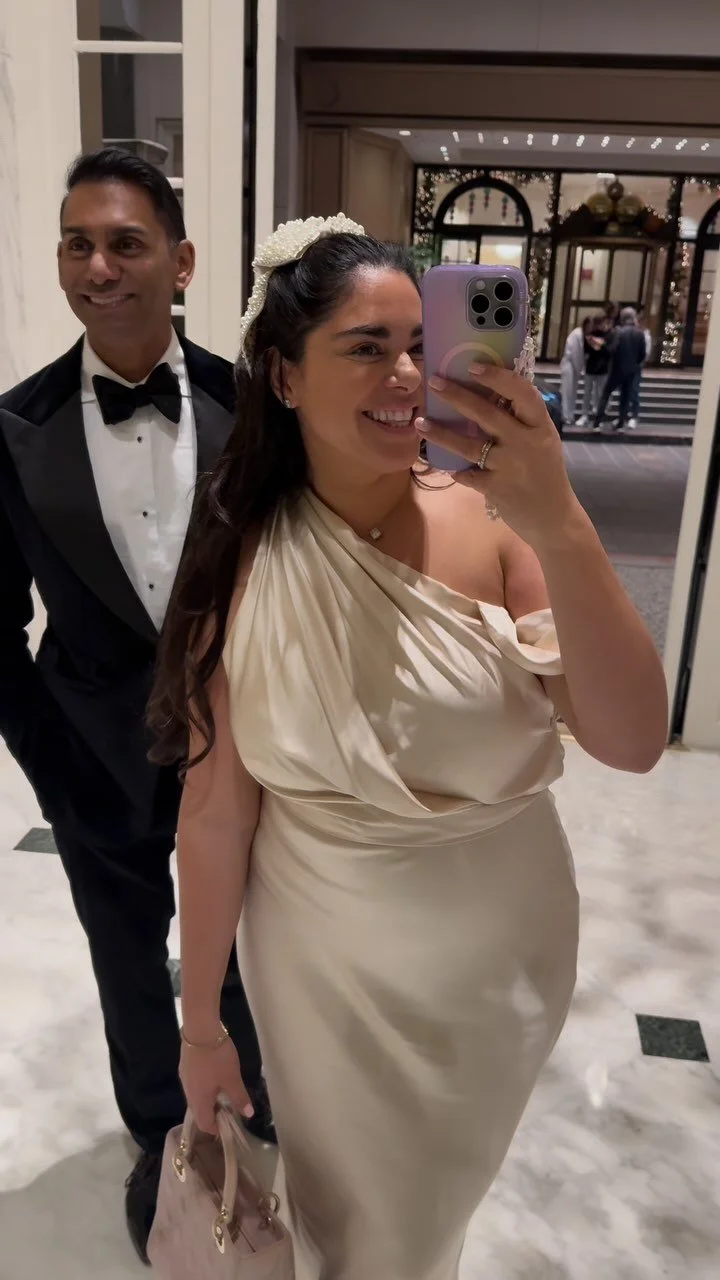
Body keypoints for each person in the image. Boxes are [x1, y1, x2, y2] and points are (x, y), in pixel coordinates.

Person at [149, 216, 668, 1280]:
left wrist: (562, 521)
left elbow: (631, 741)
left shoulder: (502, 526)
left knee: (423, 1224)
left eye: (419, 345)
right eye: (365, 346)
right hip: (321, 971)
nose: (404, 374)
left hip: (495, 966)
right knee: (358, 1230)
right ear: (284, 376)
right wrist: (201, 1026)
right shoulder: (241, 559)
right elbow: (216, 817)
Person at [0, 147, 273, 1266]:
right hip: (93, 756)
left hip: (249, 753)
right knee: (126, 961)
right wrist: (52, 767)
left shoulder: (258, 407)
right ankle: (164, 1137)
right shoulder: (10, 427)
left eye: (125, 242)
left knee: (248, 949)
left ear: (183, 262)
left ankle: (251, 1110)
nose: (98, 266)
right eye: (78, 244)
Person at [593, 306, 648, 432]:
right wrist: (634, 363)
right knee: (625, 397)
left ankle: (597, 422)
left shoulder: (618, 332)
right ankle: (621, 423)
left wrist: (603, 347)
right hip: (631, 370)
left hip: (617, 368)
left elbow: (611, 350)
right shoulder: (640, 333)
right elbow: (642, 354)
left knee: (606, 394)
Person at [576, 312, 611, 427]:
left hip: (603, 368)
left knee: (600, 394)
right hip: (591, 367)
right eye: (599, 323)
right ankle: (584, 415)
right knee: (587, 392)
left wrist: (599, 344)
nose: (601, 325)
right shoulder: (589, 335)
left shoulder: (608, 335)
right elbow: (587, 351)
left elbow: (608, 351)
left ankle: (598, 416)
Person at [559, 316, 590, 426]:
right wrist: (580, 369)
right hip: (570, 365)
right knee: (567, 392)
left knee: (572, 392)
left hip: (574, 367)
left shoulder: (583, 335)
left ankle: (569, 415)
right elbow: (575, 354)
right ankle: (565, 415)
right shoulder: (577, 334)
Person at [627, 308, 653, 429]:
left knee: (634, 390)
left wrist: (639, 362)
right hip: (627, 365)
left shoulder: (645, 335)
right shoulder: (633, 333)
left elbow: (646, 352)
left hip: (636, 365)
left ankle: (634, 416)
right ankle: (626, 414)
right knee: (626, 390)